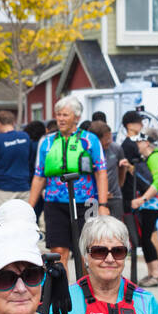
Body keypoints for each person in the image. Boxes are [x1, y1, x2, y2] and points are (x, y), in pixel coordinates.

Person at [29, 96, 109, 268]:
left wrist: (103, 203)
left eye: (65, 115)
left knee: (86, 251)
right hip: (55, 203)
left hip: (85, 203)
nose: (61, 119)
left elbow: (101, 173)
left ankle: (87, 291)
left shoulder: (90, 140)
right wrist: (29, 208)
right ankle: (63, 294)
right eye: (58, 115)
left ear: (76, 117)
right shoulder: (47, 142)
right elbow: (39, 176)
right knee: (59, 252)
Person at [130, 126, 158, 286]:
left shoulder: (155, 157)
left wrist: (142, 200)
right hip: (152, 203)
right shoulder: (152, 157)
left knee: (146, 238)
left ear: (147, 143)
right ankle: (153, 272)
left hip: (154, 204)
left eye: (140, 141)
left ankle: (155, 274)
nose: (137, 144)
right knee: (146, 237)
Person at [0, 110, 33, 218]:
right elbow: (30, 158)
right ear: (13, 122)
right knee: (23, 221)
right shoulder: (25, 137)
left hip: (2, 188)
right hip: (23, 187)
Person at [90, 120, 126, 221]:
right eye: (106, 139)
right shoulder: (87, 152)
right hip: (93, 199)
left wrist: (118, 186)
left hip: (115, 198)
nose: (109, 141)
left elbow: (122, 168)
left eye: (110, 137)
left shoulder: (116, 148)